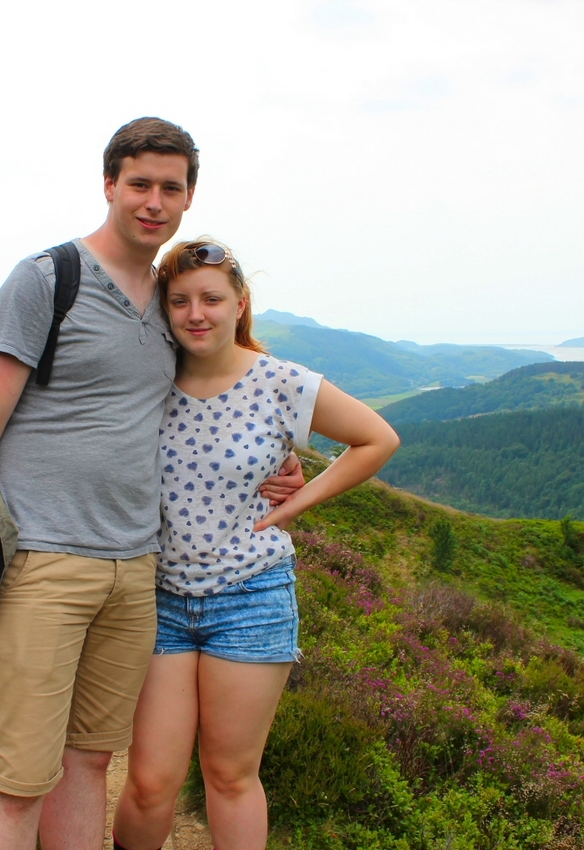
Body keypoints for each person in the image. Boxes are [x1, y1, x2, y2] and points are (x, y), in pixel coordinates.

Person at [0, 119, 303, 850]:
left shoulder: (169, 306)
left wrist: (279, 464)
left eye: (171, 187)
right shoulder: (46, 280)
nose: (153, 201)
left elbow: (210, 396)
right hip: (43, 562)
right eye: (140, 183)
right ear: (109, 185)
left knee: (88, 762)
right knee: (17, 781)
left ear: (189, 196)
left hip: (137, 572)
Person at [111, 240, 400, 850]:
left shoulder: (281, 383)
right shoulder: (147, 380)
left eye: (212, 299)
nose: (196, 313)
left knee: (230, 775)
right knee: (149, 782)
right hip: (157, 598)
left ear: (239, 305)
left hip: (251, 599)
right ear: (163, 308)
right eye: (180, 300)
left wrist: (298, 501)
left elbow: (377, 439)